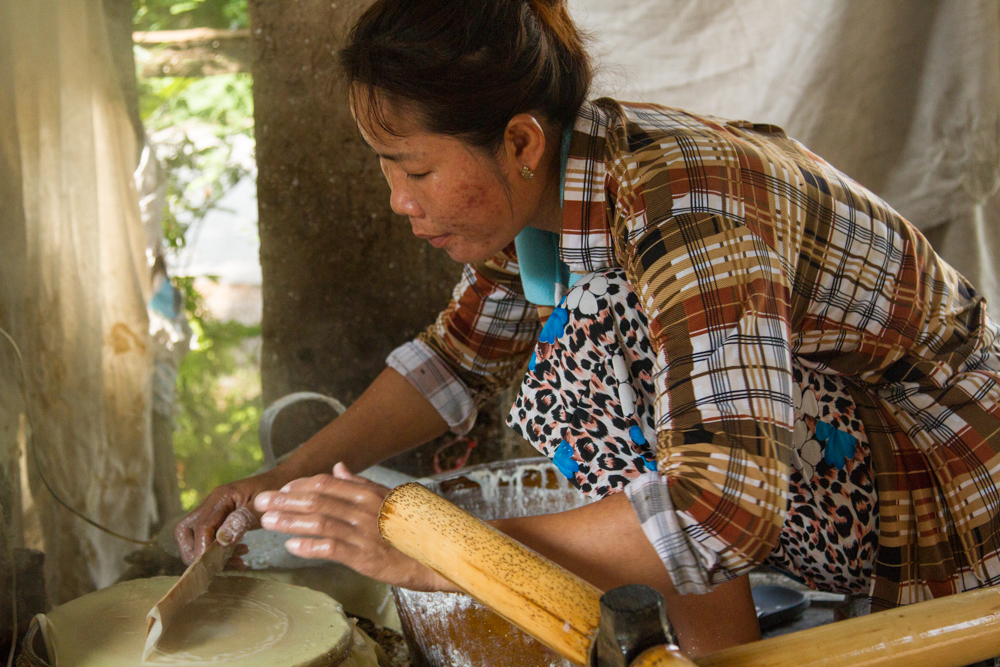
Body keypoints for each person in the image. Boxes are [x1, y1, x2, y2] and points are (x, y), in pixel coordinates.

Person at [175, 0, 1000, 656]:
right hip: (850, 479)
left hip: (949, 489)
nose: (399, 200)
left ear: (521, 140)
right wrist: (280, 475)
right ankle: (709, 651)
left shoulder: (682, 205)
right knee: (596, 335)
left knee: (600, 342)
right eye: (387, 169)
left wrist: (443, 547)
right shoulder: (566, 189)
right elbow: (456, 359)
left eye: (418, 168)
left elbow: (720, 509)